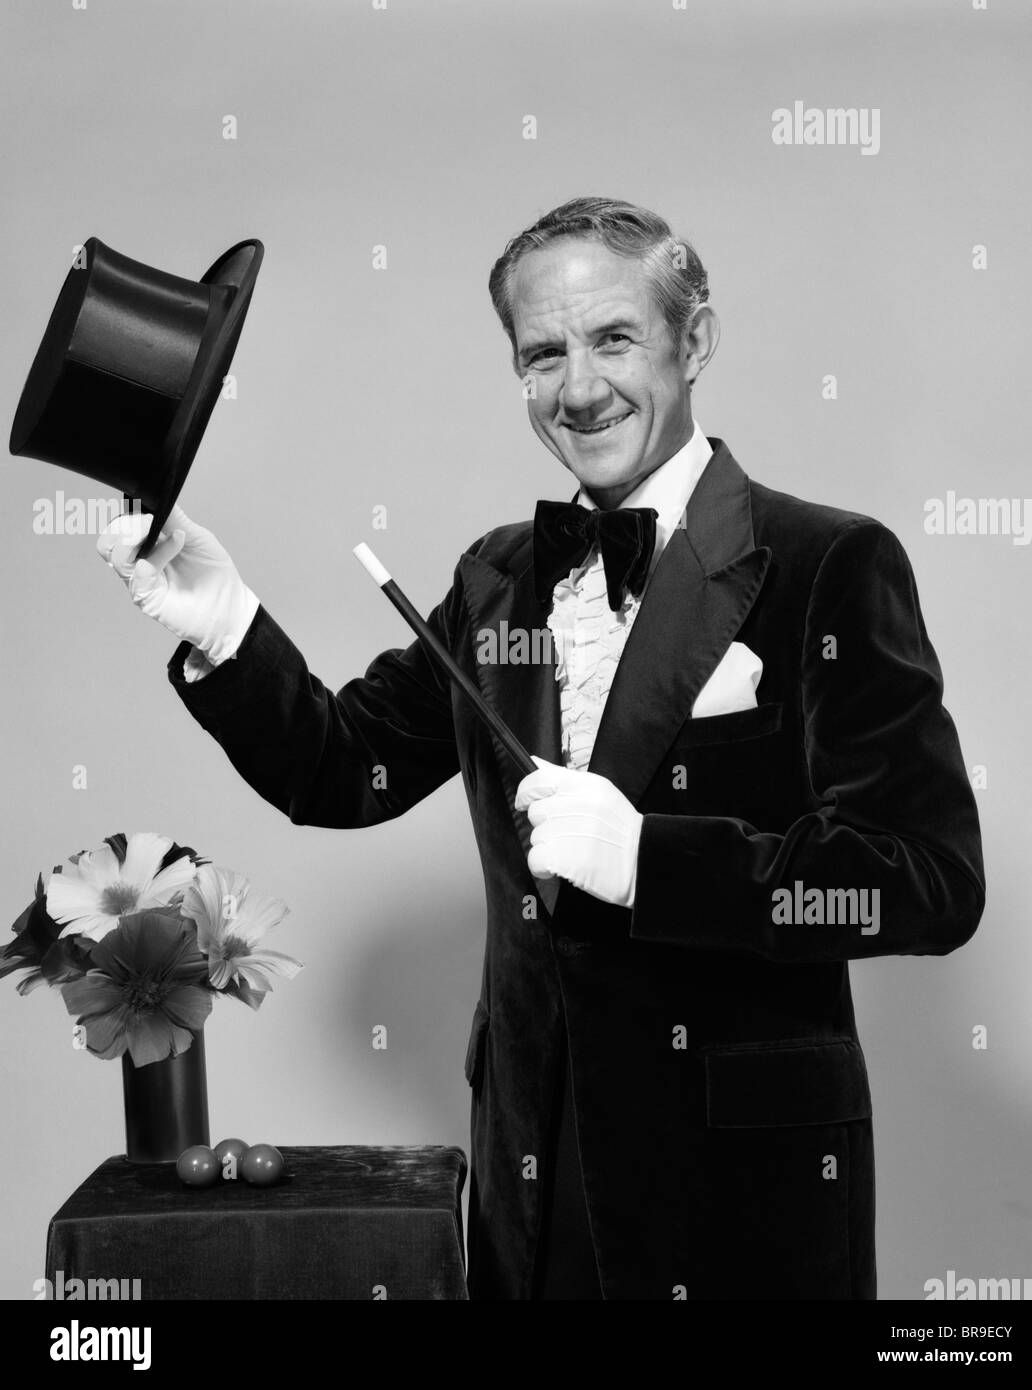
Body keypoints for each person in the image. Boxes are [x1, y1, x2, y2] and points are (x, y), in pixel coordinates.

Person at [98, 197, 985, 1300]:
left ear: (694, 340)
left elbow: (930, 881)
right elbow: (343, 768)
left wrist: (658, 861)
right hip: (533, 1178)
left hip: (740, 1193)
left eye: (615, 338)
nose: (579, 387)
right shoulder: (497, 578)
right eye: (542, 354)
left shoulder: (830, 562)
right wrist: (223, 626)